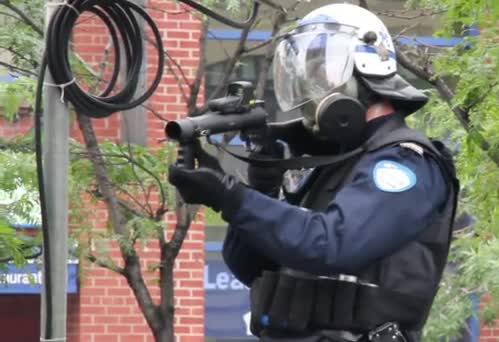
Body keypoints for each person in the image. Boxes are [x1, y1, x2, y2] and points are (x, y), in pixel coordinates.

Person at [169, 4, 460, 342]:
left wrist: (232, 195)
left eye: (324, 76)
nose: (312, 90)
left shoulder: (406, 163)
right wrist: (259, 188)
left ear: (368, 69)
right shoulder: (338, 164)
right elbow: (250, 266)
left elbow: (331, 244)